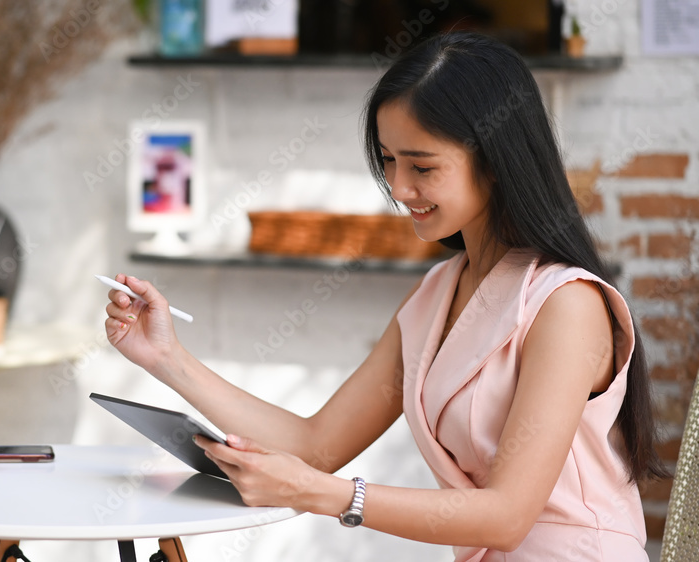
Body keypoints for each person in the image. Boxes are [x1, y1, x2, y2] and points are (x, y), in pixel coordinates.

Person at [103, 31, 666, 561]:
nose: (398, 189)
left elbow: (506, 517)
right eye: (390, 161)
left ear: (495, 164)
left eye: (421, 166)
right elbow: (316, 444)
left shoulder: (567, 305)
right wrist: (166, 357)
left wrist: (324, 495)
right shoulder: (437, 293)